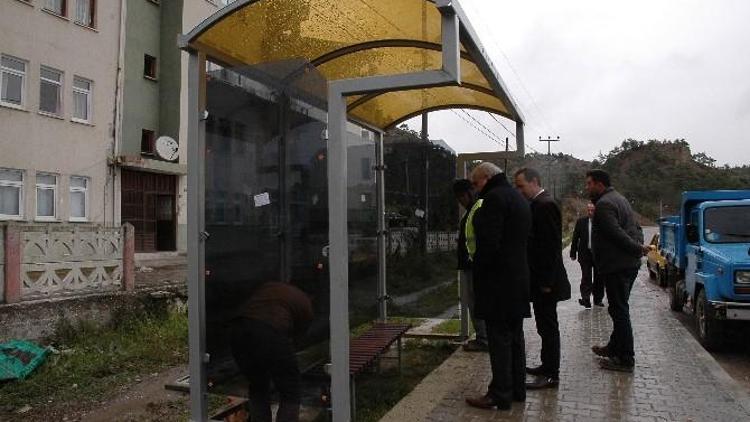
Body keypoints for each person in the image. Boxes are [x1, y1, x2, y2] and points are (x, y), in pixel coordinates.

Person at [465, 162, 531, 410]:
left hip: (498, 284)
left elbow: (488, 245)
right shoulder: (518, 198)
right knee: (515, 337)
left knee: (499, 340)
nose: (474, 188)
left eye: (475, 182)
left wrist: (479, 273)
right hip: (518, 281)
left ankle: (500, 393)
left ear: (486, 178)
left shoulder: (494, 199)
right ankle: (517, 390)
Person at [585, 169, 649, 373]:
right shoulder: (619, 198)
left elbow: (616, 234)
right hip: (626, 265)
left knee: (620, 311)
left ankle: (625, 358)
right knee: (618, 308)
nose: (587, 188)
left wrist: (637, 249)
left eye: (589, 184)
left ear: (599, 184)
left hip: (617, 266)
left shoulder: (604, 204)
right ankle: (614, 347)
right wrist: (638, 247)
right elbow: (637, 229)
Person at [513, 168, 571, 390]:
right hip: (541, 280)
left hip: (546, 282)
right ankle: (547, 365)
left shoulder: (544, 205)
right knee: (544, 326)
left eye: (521, 186)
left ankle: (551, 373)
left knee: (548, 326)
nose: (519, 191)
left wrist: (546, 281)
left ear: (534, 182)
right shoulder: (540, 204)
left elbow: (549, 248)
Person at [229, 281, 314, 422]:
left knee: (258, 385)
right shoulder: (306, 304)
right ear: (311, 296)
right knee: (290, 390)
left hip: (238, 331)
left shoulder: (272, 287)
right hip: (270, 331)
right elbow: (295, 341)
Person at [453, 179, 488, 352]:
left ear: (468, 193)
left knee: (475, 303)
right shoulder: (472, 210)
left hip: (474, 266)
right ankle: (483, 337)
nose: (460, 201)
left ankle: (483, 339)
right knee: (473, 302)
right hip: (471, 264)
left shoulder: (477, 209)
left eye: (461, 197)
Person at [571, 203, 605, 308]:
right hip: (584, 254)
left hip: (598, 254)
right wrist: (573, 252)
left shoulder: (602, 222)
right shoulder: (581, 222)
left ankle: (598, 299)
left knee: (599, 277)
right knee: (586, 276)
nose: (590, 212)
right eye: (588, 210)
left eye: (592, 210)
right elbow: (575, 237)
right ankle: (586, 299)